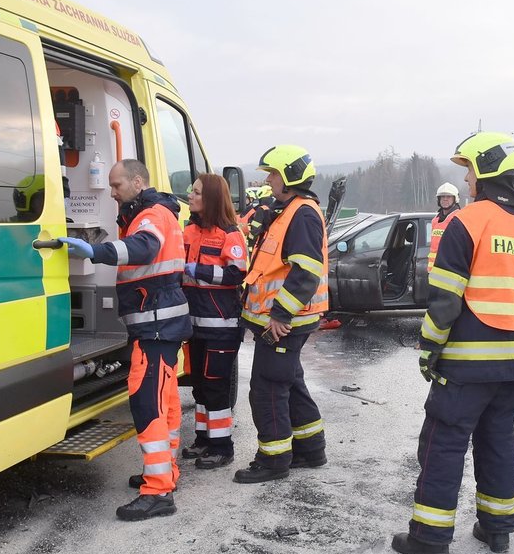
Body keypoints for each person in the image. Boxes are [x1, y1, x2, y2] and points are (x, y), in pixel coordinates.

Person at [392, 132, 514, 554]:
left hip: (465, 367)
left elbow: (445, 299)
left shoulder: (468, 222)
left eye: (468, 170)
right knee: (499, 440)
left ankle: (429, 539)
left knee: (443, 444)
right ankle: (497, 530)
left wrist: (429, 350)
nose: (465, 180)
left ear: (484, 170)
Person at [59, 159, 190, 521]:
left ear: (137, 181)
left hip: (155, 327)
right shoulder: (155, 211)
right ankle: (163, 473)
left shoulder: (152, 214)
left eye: (117, 186)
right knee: (164, 403)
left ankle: (158, 491)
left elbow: (144, 248)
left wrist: (95, 251)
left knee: (147, 404)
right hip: (159, 326)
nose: (112, 192)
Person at [233, 145, 329, 484]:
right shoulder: (288, 210)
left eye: (273, 174)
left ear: (289, 176)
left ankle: (273, 460)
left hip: (284, 322)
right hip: (283, 319)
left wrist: (280, 315)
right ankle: (310, 448)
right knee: (289, 382)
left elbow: (306, 271)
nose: (270, 180)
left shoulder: (301, 213)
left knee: (267, 388)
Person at [181, 174, 249, 469]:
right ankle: (204, 439)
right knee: (199, 385)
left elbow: (236, 274)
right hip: (194, 325)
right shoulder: (189, 231)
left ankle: (223, 447)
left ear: (209, 198)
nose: (191, 196)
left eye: (196, 192)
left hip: (221, 326)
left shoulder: (230, 235)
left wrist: (199, 270)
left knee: (215, 386)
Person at [428, 182, 461, 271]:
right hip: (433, 270)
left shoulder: (459, 218)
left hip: (449, 270)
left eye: (449, 197)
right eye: (442, 197)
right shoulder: (435, 219)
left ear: (455, 199)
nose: (445, 199)